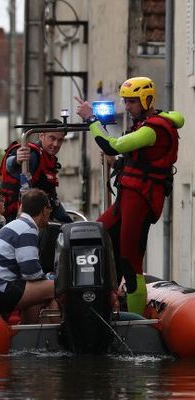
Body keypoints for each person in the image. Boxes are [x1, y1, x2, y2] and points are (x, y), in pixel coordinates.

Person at [75, 76, 184, 316]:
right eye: (125, 102)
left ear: (146, 100)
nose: (127, 107)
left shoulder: (152, 129)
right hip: (127, 198)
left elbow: (112, 145)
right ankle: (102, 299)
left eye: (132, 102)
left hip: (141, 200)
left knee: (130, 261)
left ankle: (134, 320)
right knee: (93, 236)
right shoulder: (143, 124)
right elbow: (129, 158)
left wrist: (91, 119)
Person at [0, 188, 55, 324]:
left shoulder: (14, 225)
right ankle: (61, 336)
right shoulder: (27, 229)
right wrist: (49, 277)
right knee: (56, 287)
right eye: (50, 208)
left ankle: (29, 336)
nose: (50, 212)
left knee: (36, 292)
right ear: (43, 210)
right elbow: (31, 272)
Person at [0, 119, 73, 224]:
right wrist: (17, 160)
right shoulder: (33, 154)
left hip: (36, 213)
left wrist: (67, 222)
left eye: (60, 140)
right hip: (16, 215)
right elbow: (10, 166)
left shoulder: (49, 158)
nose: (56, 144)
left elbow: (51, 197)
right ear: (41, 136)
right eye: (52, 138)